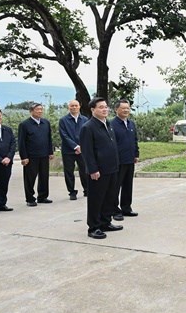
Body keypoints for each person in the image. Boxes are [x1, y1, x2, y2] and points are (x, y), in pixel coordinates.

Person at [80, 98, 122, 240]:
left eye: (106, 107)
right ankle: (94, 227)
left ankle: (105, 222)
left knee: (109, 197)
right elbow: (87, 151)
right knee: (96, 199)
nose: (105, 109)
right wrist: (92, 169)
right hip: (98, 171)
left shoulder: (108, 124)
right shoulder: (88, 127)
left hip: (112, 168)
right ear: (93, 110)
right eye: (101, 107)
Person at [18, 103, 54, 206]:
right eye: (37, 109)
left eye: (41, 109)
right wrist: (24, 157)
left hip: (44, 155)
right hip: (31, 156)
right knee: (30, 178)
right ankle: (30, 199)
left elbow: (49, 138)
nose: (40, 111)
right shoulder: (24, 124)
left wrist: (50, 152)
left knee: (44, 177)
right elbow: (21, 142)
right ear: (31, 111)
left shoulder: (46, 123)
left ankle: (42, 196)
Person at [111, 99, 140, 219]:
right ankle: (114, 210)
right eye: (123, 108)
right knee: (115, 187)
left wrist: (136, 154)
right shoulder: (112, 124)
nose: (126, 110)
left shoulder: (131, 124)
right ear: (116, 109)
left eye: (127, 108)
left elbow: (135, 140)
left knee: (128, 185)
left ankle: (126, 208)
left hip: (130, 159)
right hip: (118, 161)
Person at [58, 99, 89, 200]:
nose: (74, 107)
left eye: (76, 105)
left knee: (84, 170)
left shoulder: (85, 119)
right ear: (68, 107)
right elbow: (64, 135)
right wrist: (75, 146)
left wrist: (82, 146)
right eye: (72, 106)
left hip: (83, 150)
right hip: (68, 150)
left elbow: (87, 134)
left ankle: (87, 189)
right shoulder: (63, 120)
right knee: (69, 172)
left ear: (79, 106)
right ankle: (72, 192)